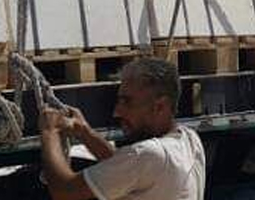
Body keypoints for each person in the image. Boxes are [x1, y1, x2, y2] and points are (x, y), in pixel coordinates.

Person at [39, 57, 206, 200]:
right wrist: (85, 133)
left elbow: (65, 191)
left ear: (160, 106)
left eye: (127, 102)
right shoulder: (189, 139)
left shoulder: (148, 155)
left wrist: (49, 132)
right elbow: (123, 164)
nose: (117, 112)